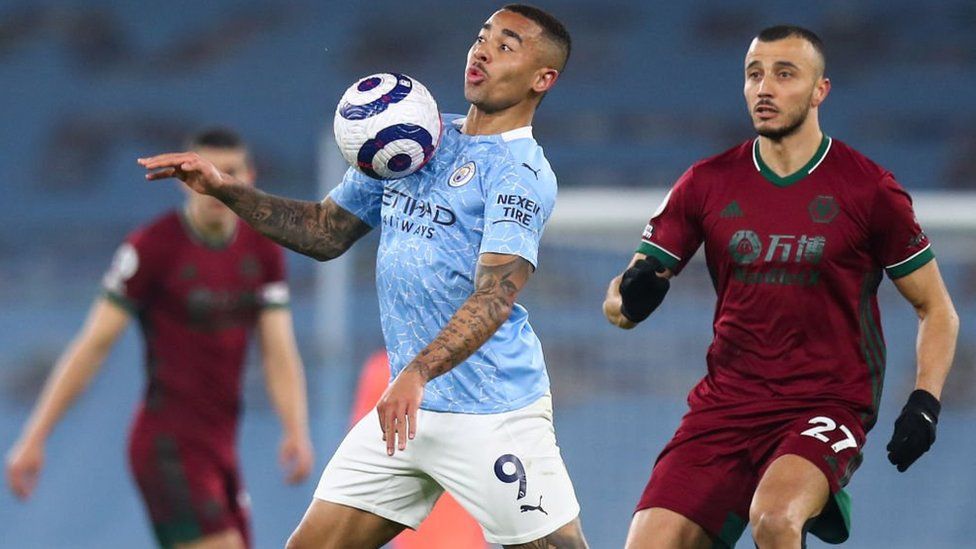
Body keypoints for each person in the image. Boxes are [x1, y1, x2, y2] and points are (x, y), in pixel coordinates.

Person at [138, 5, 587, 549]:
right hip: (407, 415)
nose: (482, 50)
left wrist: (417, 373)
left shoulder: (520, 173)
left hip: (489, 411)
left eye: (507, 44)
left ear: (544, 78)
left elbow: (494, 296)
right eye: (481, 35)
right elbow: (326, 231)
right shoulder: (416, 137)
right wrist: (225, 188)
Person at [603, 25, 959, 549]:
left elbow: (937, 310)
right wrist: (631, 296)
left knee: (774, 518)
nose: (764, 88)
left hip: (827, 403)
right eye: (754, 74)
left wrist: (925, 401)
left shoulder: (868, 189)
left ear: (820, 91)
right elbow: (618, 306)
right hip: (725, 406)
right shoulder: (706, 182)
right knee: (648, 543)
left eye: (784, 74)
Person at [6, 128, 315, 549]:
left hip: (221, 448)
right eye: (203, 171)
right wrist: (34, 437)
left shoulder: (262, 251)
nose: (215, 184)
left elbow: (279, 352)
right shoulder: (153, 247)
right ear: (184, 179)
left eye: (229, 172)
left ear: (250, 176)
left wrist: (295, 427)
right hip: (167, 444)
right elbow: (92, 346)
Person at [350, 350, 488, 549]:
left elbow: (365, 452)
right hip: (427, 509)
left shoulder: (476, 366)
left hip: (446, 508)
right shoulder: (383, 369)